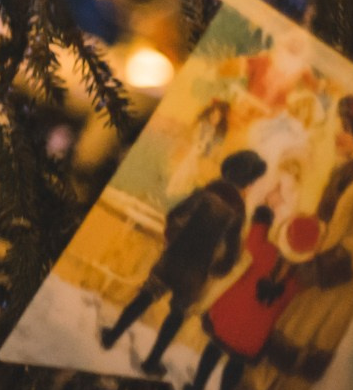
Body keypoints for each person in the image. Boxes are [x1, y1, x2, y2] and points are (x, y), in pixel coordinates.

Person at [234, 94, 353, 390]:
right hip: (314, 279)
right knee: (286, 335)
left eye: (347, 129)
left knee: (301, 347)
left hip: (333, 289)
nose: (339, 135)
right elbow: (329, 225)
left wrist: (317, 266)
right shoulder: (350, 174)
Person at [98, 148, 266, 374]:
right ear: (247, 181)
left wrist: (174, 240)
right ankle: (151, 362)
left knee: (145, 296)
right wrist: (217, 268)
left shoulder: (205, 192)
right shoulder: (238, 211)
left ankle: (112, 335)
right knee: (176, 316)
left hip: (175, 256)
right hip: (196, 271)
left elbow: (174, 216)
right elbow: (231, 253)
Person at [185, 209, 320, 390]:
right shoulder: (295, 284)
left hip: (228, 317)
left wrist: (265, 213)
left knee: (212, 351)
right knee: (235, 367)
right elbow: (305, 282)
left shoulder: (262, 250)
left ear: (284, 235)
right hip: (252, 336)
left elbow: (256, 230)